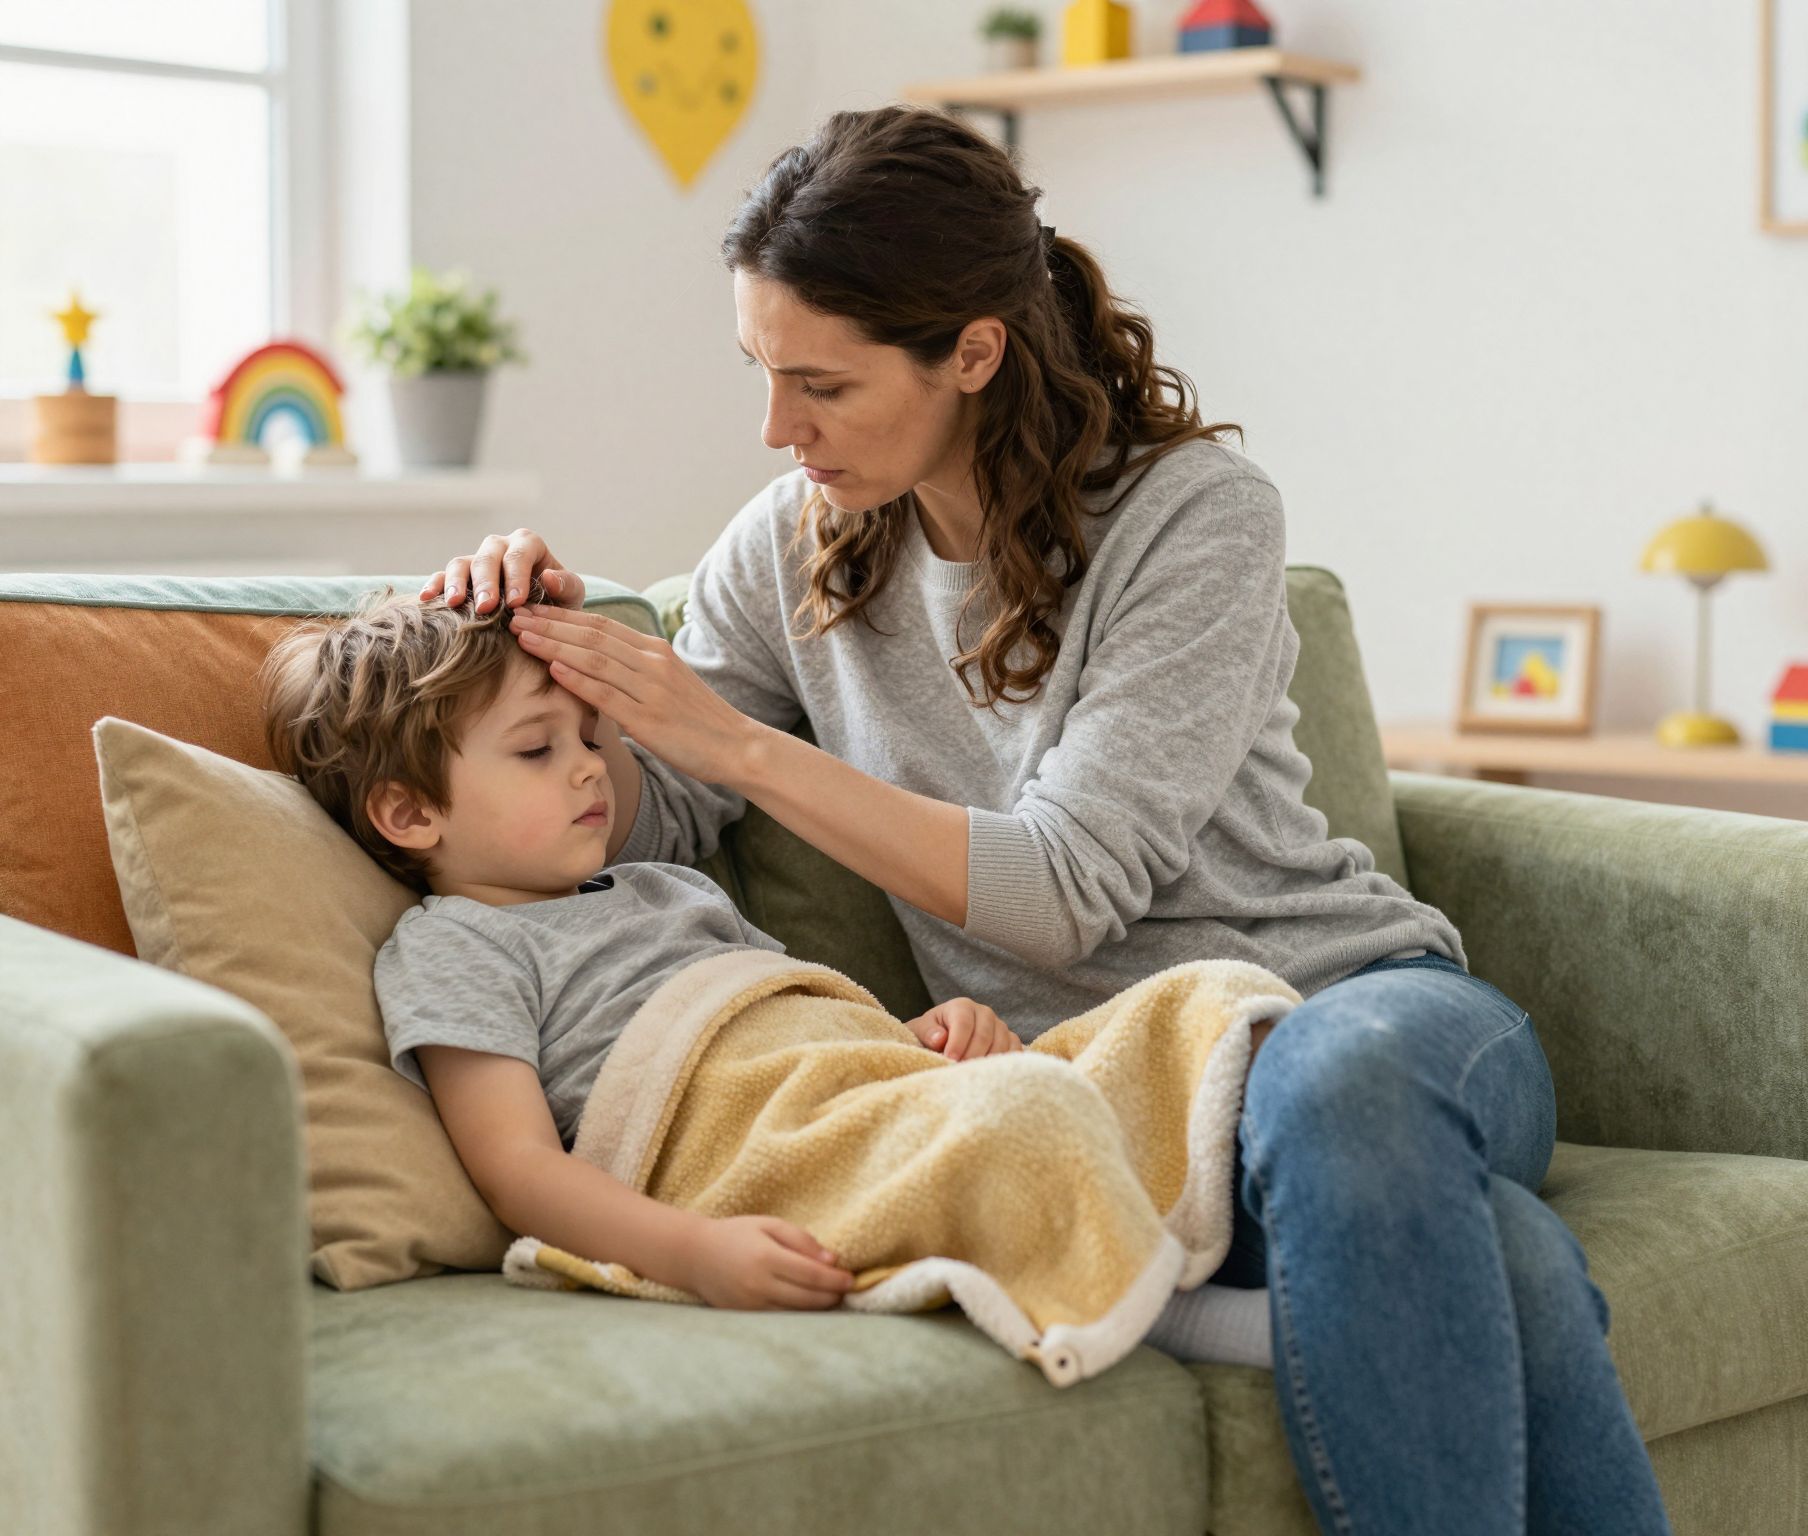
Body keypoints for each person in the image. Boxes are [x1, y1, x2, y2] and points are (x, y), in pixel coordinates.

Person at [422, 104, 1673, 1535]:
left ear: (971, 351)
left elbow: (1066, 891)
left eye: (821, 383)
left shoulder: (1192, 517)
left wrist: (740, 749)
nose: (779, 430)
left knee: (1345, 1103)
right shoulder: (787, 545)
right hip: (1113, 1099)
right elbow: (655, 814)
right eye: (762, 375)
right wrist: (545, 646)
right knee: (1496, 1258)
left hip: (1363, 1022)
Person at [258, 582, 1031, 1314]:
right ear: (410, 812)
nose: (592, 765)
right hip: (730, 1147)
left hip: (847, 1100)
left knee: (1146, 1027)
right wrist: (692, 1251)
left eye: (588, 738)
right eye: (538, 750)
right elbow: (518, 1171)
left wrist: (923, 1040)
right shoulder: (456, 947)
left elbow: (802, 1031)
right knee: (1037, 1128)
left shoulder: (666, 887)